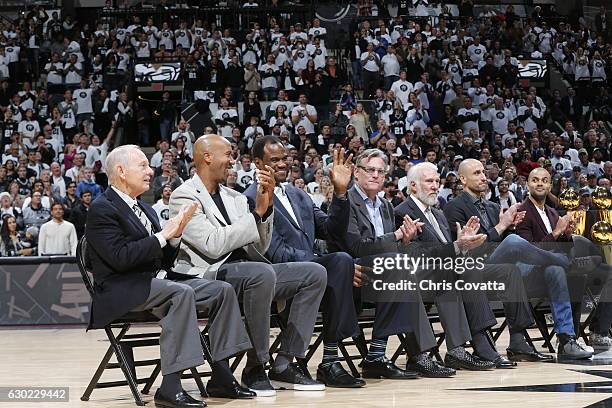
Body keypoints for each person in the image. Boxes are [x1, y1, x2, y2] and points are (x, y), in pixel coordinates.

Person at [86, 145, 255, 408]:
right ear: (121, 171)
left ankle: (221, 375)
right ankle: (170, 387)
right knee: (181, 293)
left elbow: (159, 259)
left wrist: (174, 238)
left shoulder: (146, 209)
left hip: (155, 283)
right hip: (121, 289)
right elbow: (120, 258)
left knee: (221, 290)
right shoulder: (102, 208)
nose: (149, 171)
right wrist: (163, 235)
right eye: (142, 165)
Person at [169, 134, 327, 395]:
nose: (232, 161)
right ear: (207, 157)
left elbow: (259, 246)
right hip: (208, 275)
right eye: (228, 155)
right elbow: (212, 244)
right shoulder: (183, 196)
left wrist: (266, 212)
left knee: (314, 273)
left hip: (249, 271)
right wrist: (255, 215)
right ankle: (255, 367)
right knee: (261, 273)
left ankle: (285, 362)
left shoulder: (234, 196)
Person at [332, 148, 480, 378]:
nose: (375, 175)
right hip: (357, 275)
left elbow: (395, 248)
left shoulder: (385, 206)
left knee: (444, 274)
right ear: (356, 172)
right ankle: (418, 355)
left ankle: (456, 349)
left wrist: (405, 241)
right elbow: (357, 247)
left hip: (391, 272)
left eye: (381, 171)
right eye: (369, 170)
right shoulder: (345, 202)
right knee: (402, 270)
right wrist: (398, 237)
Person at [245, 136, 369, 387]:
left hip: (314, 276)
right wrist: (324, 266)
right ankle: (330, 360)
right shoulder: (249, 198)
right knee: (340, 265)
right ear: (258, 163)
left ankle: (332, 359)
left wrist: (341, 193)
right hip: (280, 278)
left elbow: (331, 230)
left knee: (346, 262)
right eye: (274, 160)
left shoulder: (298, 194)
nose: (282, 164)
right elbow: (273, 252)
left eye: (284, 159)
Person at [396, 162, 543, 366]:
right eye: (429, 181)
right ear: (413, 186)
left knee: (508, 270)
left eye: (437, 181)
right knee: (471, 269)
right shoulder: (403, 212)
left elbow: (454, 249)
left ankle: (511, 341)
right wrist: (462, 246)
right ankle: (480, 345)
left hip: (454, 270)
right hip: (424, 278)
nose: (435, 186)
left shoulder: (437, 213)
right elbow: (416, 255)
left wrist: (463, 244)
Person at [444, 159, 593, 360]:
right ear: (462, 179)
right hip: (475, 268)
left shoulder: (491, 206)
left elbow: (501, 242)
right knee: (515, 241)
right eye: (477, 173)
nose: (483, 176)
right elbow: (464, 249)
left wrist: (509, 227)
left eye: (483, 172)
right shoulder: (454, 207)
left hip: (504, 269)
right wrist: (502, 228)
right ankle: (567, 263)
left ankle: (565, 339)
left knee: (553, 271)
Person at [517, 168, 612, 352]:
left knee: (608, 272)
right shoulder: (522, 212)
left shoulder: (552, 212)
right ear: (528, 184)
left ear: (550, 186)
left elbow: (560, 245)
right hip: (536, 274)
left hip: (560, 265)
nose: (539, 183)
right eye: (535, 180)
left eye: (544, 180)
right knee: (573, 274)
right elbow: (528, 252)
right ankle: (569, 338)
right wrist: (556, 232)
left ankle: (598, 330)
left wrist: (566, 236)